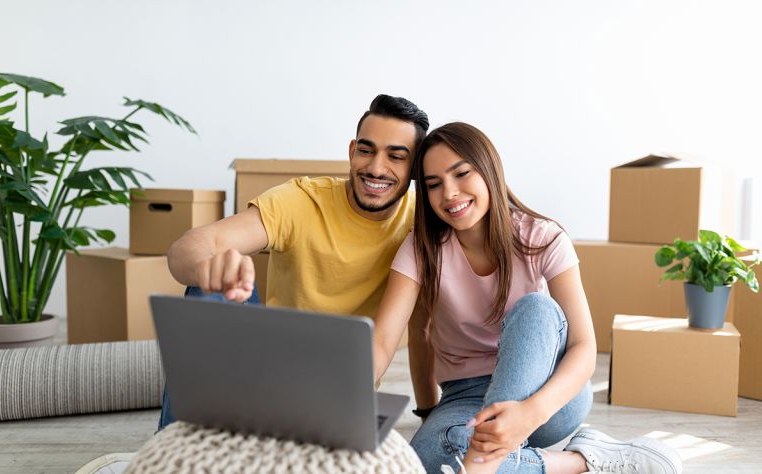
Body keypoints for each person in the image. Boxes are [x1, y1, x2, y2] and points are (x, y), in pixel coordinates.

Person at [371, 122, 682, 474]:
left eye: (462, 174)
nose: (450, 193)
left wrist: (528, 413)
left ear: (489, 169)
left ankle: (482, 462)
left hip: (548, 395)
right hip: (466, 396)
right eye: (434, 185)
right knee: (428, 456)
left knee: (536, 308)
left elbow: (583, 347)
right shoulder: (420, 248)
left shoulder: (542, 238)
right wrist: (428, 414)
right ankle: (579, 460)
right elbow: (386, 341)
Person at [159, 94, 429, 429]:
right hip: (262, 367)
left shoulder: (422, 224)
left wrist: (429, 411)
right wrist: (208, 269)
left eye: (396, 156)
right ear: (351, 151)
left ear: (415, 166)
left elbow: (414, 333)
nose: (375, 167)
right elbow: (192, 245)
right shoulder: (302, 200)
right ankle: (175, 454)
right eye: (366, 150)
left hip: (337, 389)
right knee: (209, 292)